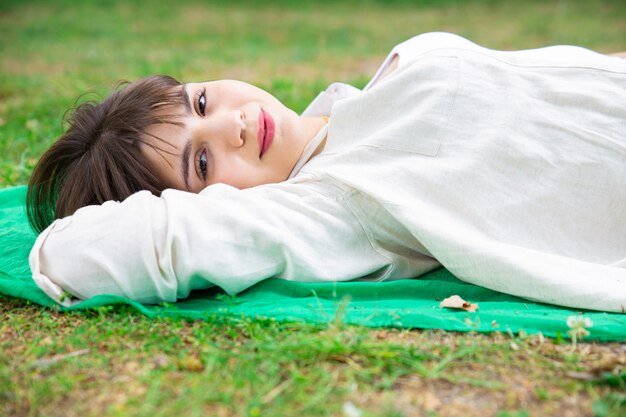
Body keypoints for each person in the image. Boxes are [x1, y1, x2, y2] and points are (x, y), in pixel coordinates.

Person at [27, 33, 626, 312]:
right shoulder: (333, 205)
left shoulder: (361, 99)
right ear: (204, 206)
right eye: (202, 163)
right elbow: (81, 254)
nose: (231, 126)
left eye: (202, 103)